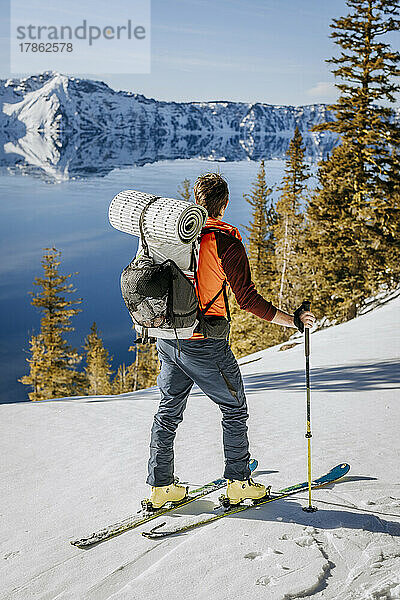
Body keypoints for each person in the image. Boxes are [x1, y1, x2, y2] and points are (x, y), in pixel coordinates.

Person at [146, 173, 315, 509]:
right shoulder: (225, 242)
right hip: (204, 342)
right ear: (223, 204)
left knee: (167, 413)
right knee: (234, 408)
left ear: (195, 200)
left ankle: (161, 487)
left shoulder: (171, 234)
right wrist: (292, 321)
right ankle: (238, 484)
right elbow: (248, 299)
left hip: (167, 338)